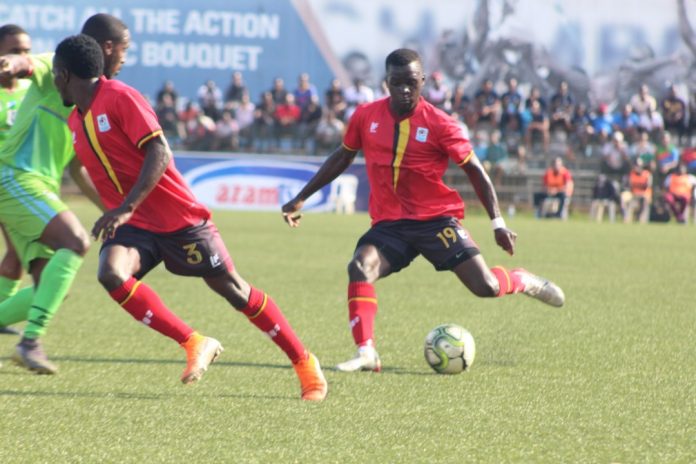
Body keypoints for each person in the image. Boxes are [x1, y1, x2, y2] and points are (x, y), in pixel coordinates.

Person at [53, 34, 327, 400]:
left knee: (234, 290)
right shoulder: (75, 120)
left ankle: (304, 362)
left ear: (64, 74)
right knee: (111, 273)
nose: (53, 81)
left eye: (54, 75)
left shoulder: (119, 97)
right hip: (135, 224)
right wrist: (119, 211)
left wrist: (126, 206)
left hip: (177, 217)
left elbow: (160, 151)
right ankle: (194, 342)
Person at [281, 48, 565, 373]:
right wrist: (301, 197)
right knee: (359, 267)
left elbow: (475, 170)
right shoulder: (365, 116)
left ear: (423, 81)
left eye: (411, 82)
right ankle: (367, 352)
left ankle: (521, 280)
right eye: (397, 82)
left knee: (485, 287)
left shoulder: (441, 124)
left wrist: (497, 223)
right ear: (386, 82)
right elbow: (343, 156)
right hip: (390, 224)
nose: (404, 89)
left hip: (435, 220)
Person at [0, 13, 126, 373]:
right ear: (106, 48)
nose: (125, 57)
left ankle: (27, 340)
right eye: (124, 48)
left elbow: (78, 169)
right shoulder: (56, 66)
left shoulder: (91, 99)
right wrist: (10, 63)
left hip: (36, 189)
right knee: (76, 241)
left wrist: (115, 210)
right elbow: (24, 65)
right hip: (14, 177)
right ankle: (30, 343)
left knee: (52, 286)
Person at [0, 24, 32, 335]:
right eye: (14, 51)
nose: (21, 57)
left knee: (17, 254)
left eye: (26, 51)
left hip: (13, 186)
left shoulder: (30, 91)